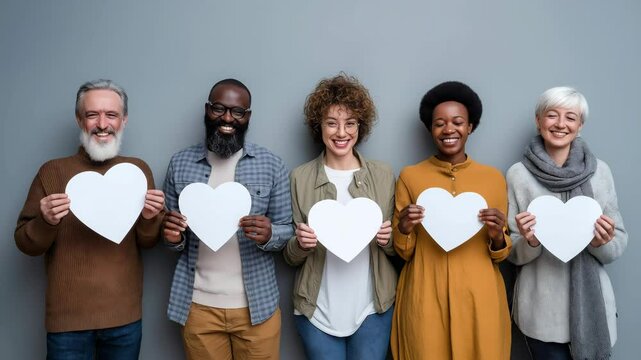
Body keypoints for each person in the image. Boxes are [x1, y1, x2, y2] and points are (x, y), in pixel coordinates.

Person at [14, 79, 165, 359]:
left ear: (124, 120)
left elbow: (148, 242)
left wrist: (148, 218)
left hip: (125, 319)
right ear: (79, 119)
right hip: (67, 323)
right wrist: (45, 220)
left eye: (111, 115)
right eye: (92, 114)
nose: (102, 124)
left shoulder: (137, 171)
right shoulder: (52, 171)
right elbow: (25, 243)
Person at [162, 78, 293, 359]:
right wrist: (172, 238)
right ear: (207, 109)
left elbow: (288, 230)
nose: (227, 118)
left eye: (237, 111)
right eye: (219, 108)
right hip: (197, 307)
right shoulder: (179, 163)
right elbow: (174, 238)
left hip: (257, 307)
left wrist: (271, 234)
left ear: (248, 116)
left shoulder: (271, 164)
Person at [390, 81, 511, 359]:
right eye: (439, 123)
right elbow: (403, 251)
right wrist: (405, 227)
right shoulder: (410, 176)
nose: (448, 130)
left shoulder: (493, 178)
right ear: (430, 129)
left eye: (458, 122)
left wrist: (496, 235)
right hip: (424, 291)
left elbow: (501, 253)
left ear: (470, 127)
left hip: (479, 296)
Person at [507, 86, 627, 360]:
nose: (560, 124)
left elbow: (618, 241)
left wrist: (601, 242)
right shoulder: (518, 175)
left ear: (580, 125)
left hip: (593, 309)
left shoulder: (601, 172)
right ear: (538, 121)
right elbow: (511, 250)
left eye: (570, 117)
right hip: (540, 311)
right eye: (552, 115)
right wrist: (530, 241)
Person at [283, 74, 397, 360]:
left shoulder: (383, 175)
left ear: (361, 126)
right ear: (318, 127)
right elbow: (289, 256)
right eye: (332, 123)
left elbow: (398, 248)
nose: (341, 133)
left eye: (350, 123)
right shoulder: (300, 177)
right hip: (316, 310)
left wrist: (388, 239)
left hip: (373, 308)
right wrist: (301, 244)